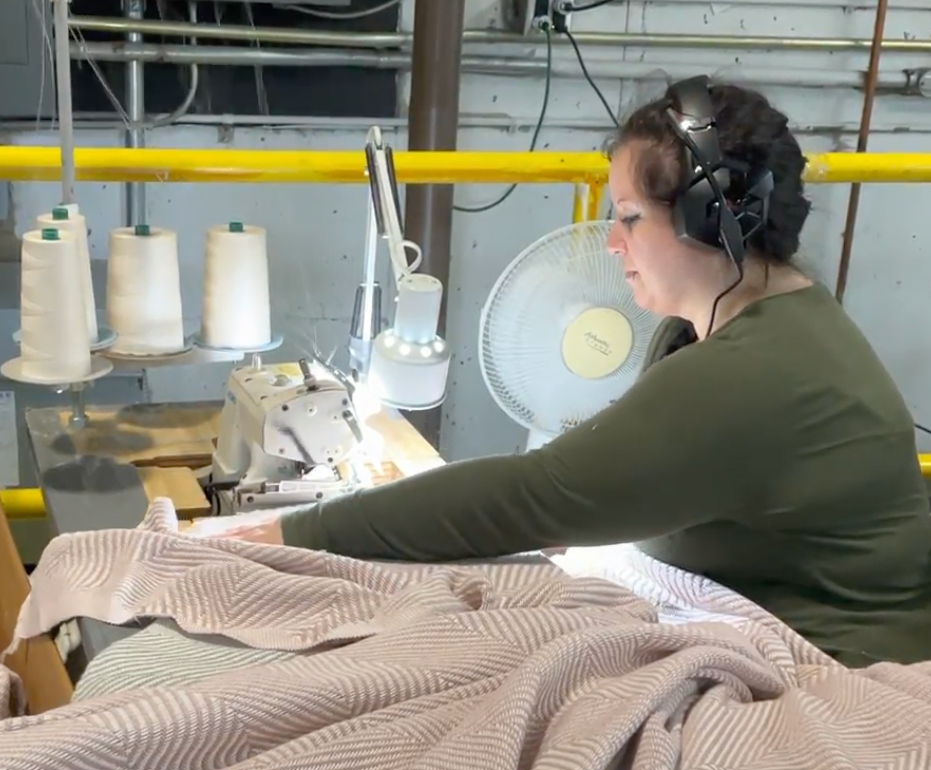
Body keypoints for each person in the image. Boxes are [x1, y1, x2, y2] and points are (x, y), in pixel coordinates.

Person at [212, 77, 931, 667]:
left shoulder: (758, 374)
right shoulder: (731, 322)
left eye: (627, 217)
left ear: (711, 220)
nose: (612, 241)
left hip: (835, 666)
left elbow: (533, 495)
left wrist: (293, 533)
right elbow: (573, 493)